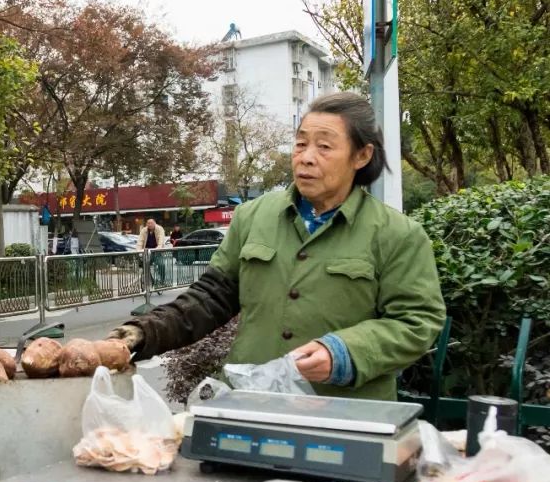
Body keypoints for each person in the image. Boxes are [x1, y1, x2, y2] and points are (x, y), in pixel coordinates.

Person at [109, 92, 445, 401]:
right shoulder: (253, 216)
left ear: (361, 155)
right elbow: (210, 298)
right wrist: (138, 335)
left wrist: (345, 352)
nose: (306, 158)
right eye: (300, 145)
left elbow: (417, 320)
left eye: (324, 147)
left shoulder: (397, 234)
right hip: (252, 404)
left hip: (346, 415)